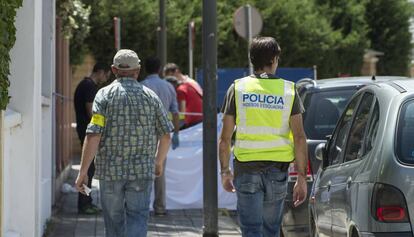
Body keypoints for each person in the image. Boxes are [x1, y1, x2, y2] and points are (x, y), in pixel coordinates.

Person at [75, 49, 173, 237]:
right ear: (137, 70)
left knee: (113, 221)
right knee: (138, 217)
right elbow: (166, 134)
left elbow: (93, 134)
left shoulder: (103, 95)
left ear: (113, 69)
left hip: (110, 173)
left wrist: (83, 172)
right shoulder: (151, 97)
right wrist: (158, 162)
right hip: (141, 171)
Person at [218, 36, 308, 237]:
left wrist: (225, 171)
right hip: (277, 171)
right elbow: (300, 137)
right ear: (274, 59)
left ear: (252, 59)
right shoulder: (288, 90)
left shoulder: (238, 88)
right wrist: (301, 177)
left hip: (246, 168)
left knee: (251, 230)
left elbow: (225, 138)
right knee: (271, 230)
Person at [141, 56, 180, 216]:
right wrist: (176, 133)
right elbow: (175, 112)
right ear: (159, 69)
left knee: (142, 169)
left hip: (144, 132)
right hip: (163, 132)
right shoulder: (168, 86)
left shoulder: (141, 86)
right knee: (159, 169)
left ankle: (142, 205)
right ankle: (160, 207)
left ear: (144, 69)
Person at [74, 62, 111, 214]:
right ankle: (84, 204)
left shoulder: (84, 84)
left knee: (89, 169)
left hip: (85, 130)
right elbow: (92, 111)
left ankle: (87, 201)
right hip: (88, 132)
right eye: (106, 74)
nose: (106, 78)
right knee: (88, 169)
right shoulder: (89, 86)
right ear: (101, 72)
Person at [163, 63, 203, 129]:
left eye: (171, 76)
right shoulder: (189, 84)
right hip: (200, 120)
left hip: (193, 123)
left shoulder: (181, 90)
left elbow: (182, 113)